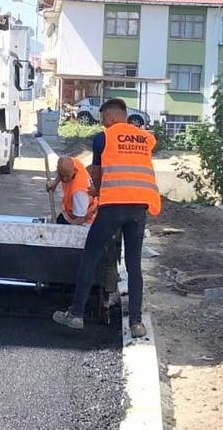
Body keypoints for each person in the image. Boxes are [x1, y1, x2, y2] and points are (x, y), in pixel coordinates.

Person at [53, 98, 161, 338]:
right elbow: (133, 162)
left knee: (90, 256)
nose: (103, 123)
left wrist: (96, 191)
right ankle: (136, 323)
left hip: (113, 207)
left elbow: (99, 174)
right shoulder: (145, 137)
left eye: (103, 119)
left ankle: (76, 314)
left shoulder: (104, 138)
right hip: (138, 209)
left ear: (111, 118)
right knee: (134, 266)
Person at [46, 155, 97, 226]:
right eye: (61, 175)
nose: (64, 179)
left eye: (67, 176)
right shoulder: (73, 162)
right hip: (71, 213)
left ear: (74, 170)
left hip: (84, 220)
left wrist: (68, 230)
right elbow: (62, 170)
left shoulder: (79, 193)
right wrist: (54, 183)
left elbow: (80, 219)